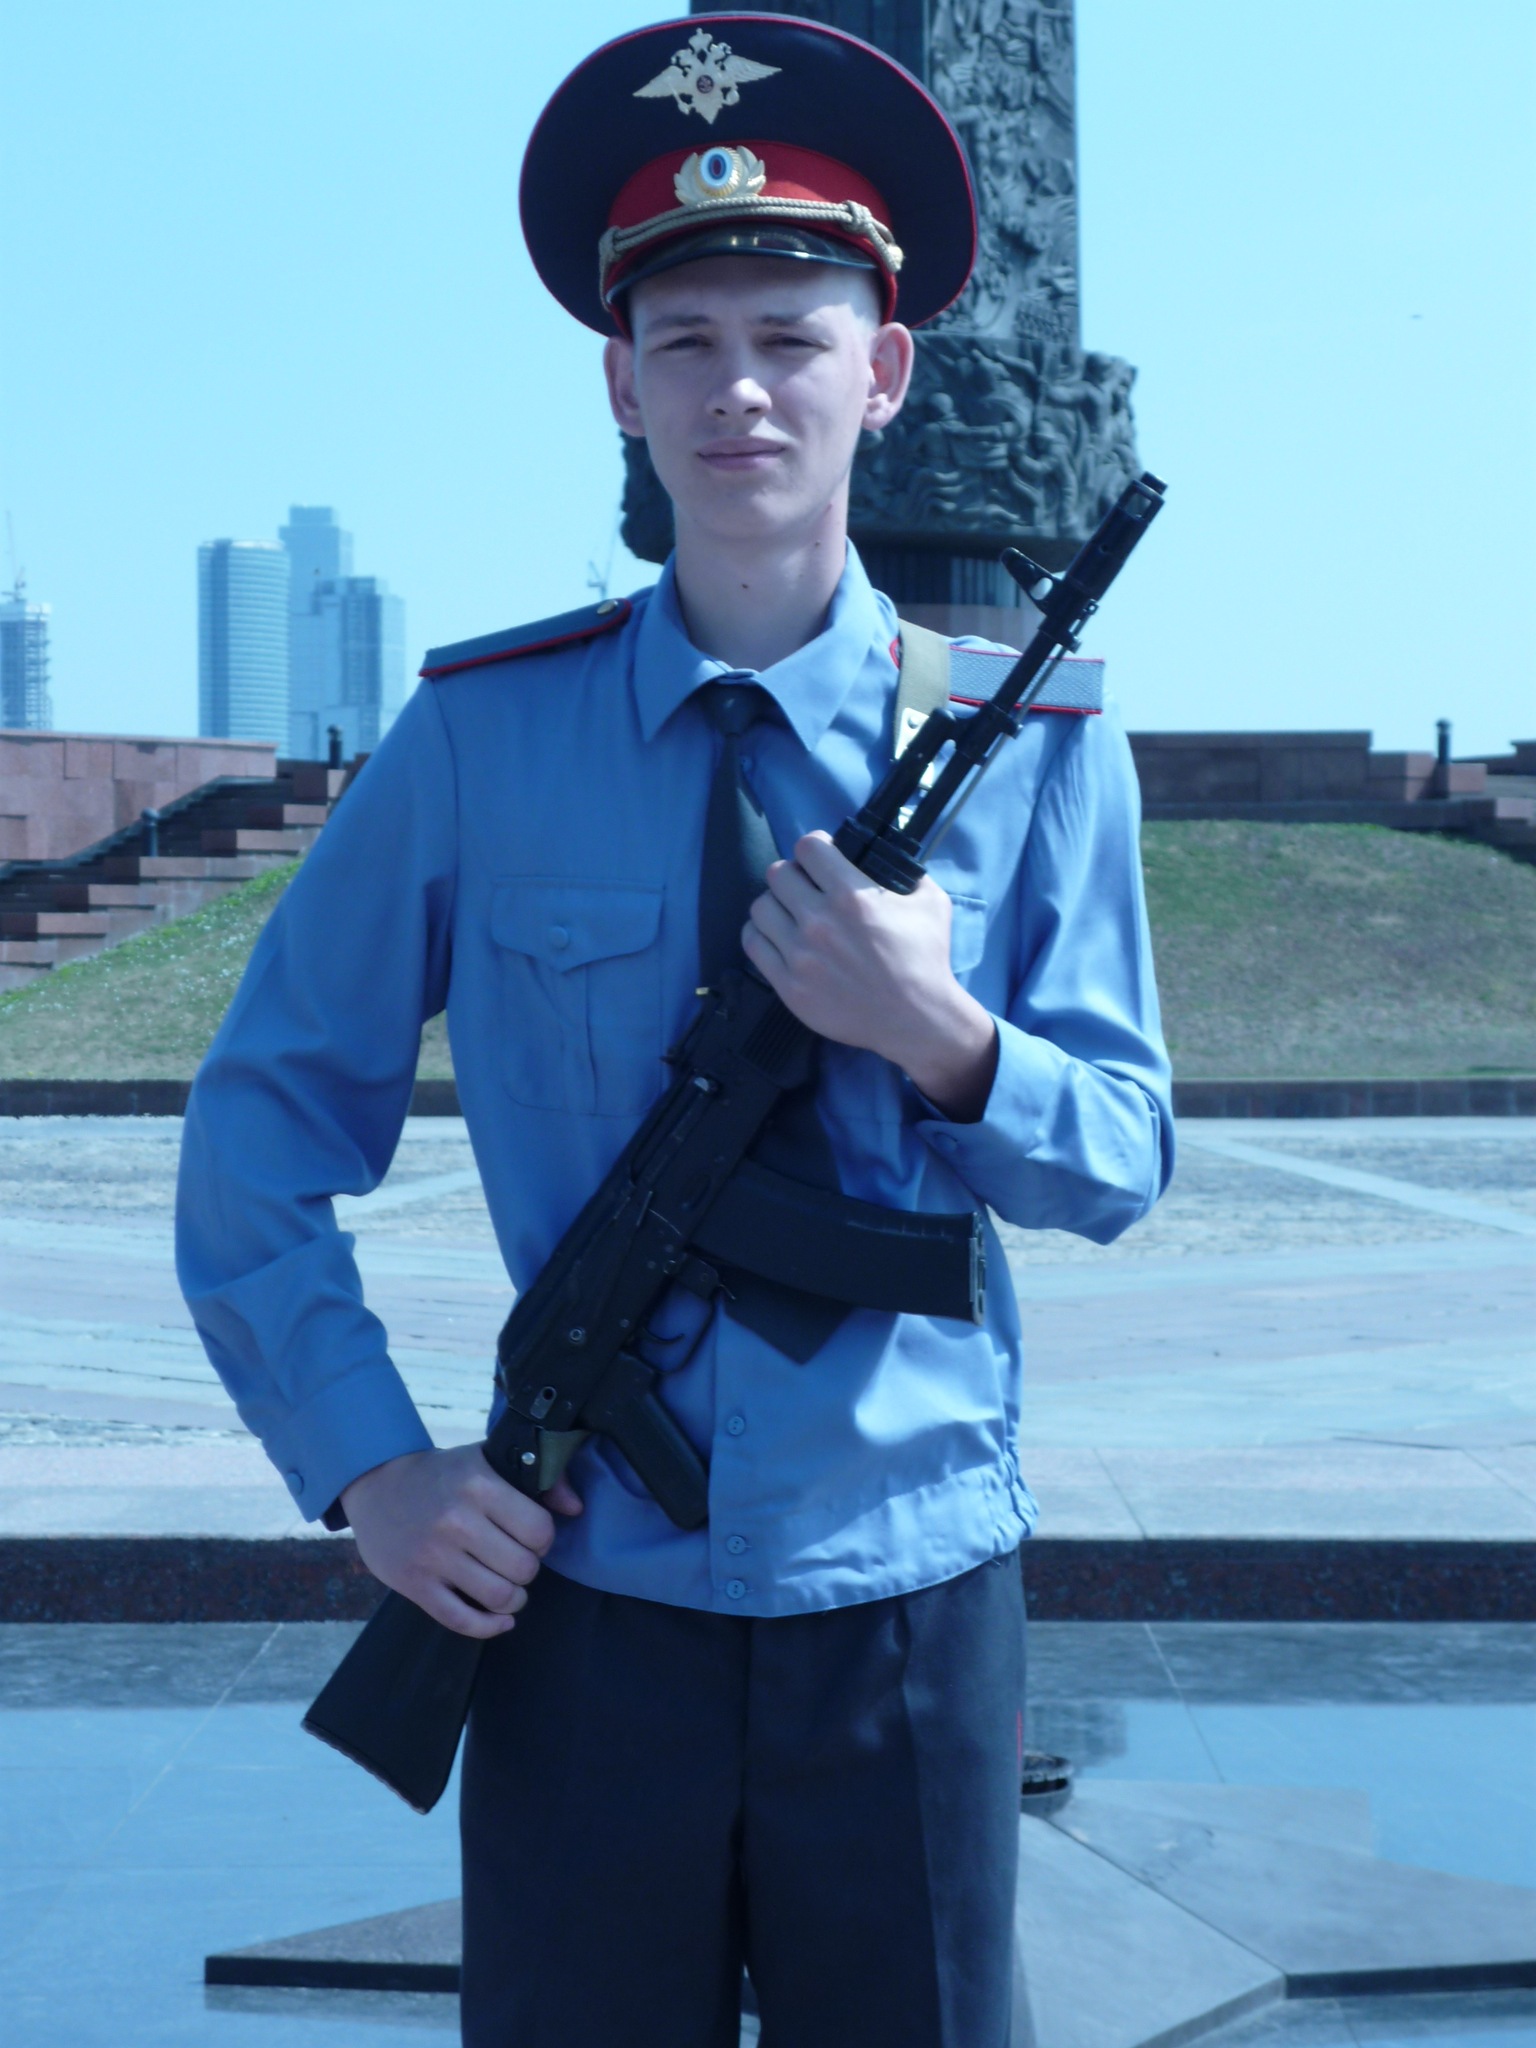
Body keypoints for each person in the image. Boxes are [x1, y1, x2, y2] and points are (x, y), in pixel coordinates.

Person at [176, 15, 1173, 2046]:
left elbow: (1123, 1157)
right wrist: (373, 1470)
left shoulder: (1037, 745)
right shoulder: (483, 737)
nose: (740, 389)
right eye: (688, 340)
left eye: (793, 338)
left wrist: (938, 1032)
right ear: (620, 383)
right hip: (582, 1596)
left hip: (905, 1600)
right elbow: (257, 1135)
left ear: (883, 374)